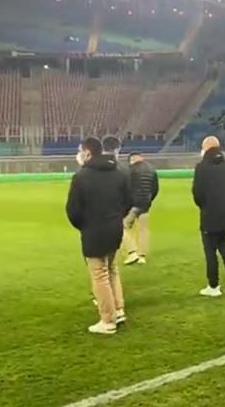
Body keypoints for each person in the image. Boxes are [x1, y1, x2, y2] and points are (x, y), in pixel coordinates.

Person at [66, 137, 131, 335]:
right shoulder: (118, 173)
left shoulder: (81, 177)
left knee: (99, 273)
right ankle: (118, 310)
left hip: (94, 230)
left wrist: (84, 225)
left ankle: (108, 319)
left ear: (87, 152)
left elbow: (73, 210)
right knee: (111, 269)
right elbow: (128, 201)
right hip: (114, 227)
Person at [193, 136, 225, 297]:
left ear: (205, 148)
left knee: (210, 250)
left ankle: (213, 286)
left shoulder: (201, 167)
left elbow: (197, 193)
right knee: (222, 244)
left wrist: (204, 205)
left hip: (209, 213)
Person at [123, 152, 159, 266]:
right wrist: (149, 200)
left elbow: (127, 188)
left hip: (134, 204)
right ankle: (141, 256)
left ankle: (132, 251)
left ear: (131, 159)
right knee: (143, 230)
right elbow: (155, 188)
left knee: (123, 227)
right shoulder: (151, 169)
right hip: (146, 204)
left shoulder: (130, 170)